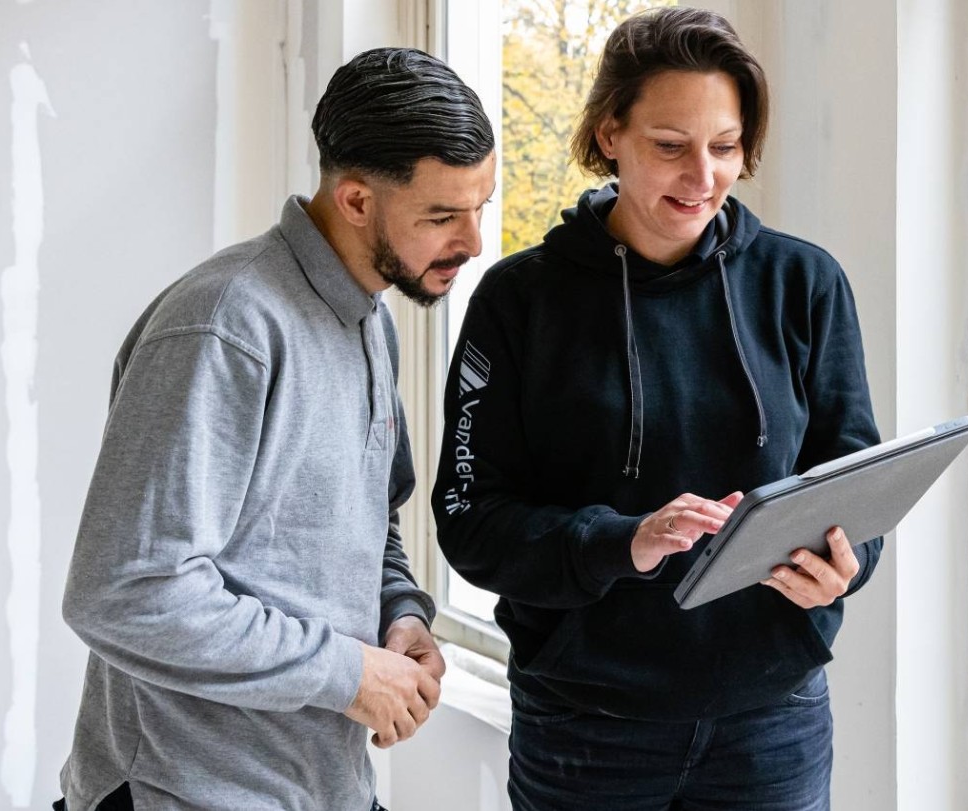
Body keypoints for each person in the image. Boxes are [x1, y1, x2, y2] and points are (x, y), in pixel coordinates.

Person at [432, 8, 880, 809]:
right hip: (586, 728)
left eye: (725, 146)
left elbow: (855, 485)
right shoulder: (519, 300)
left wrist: (843, 570)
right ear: (610, 133)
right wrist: (621, 542)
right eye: (670, 146)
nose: (702, 175)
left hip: (771, 724)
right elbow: (471, 521)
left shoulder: (805, 286)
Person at [56, 47, 495, 811]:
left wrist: (402, 614)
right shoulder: (225, 327)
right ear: (356, 200)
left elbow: (368, 527)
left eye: (480, 206)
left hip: (326, 787)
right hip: (184, 792)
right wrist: (350, 673)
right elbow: (124, 591)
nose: (474, 239)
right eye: (442, 214)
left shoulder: (369, 322)